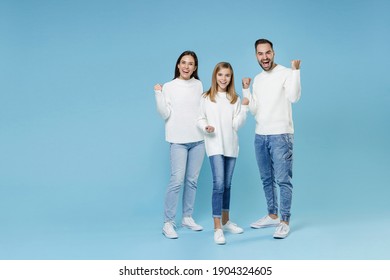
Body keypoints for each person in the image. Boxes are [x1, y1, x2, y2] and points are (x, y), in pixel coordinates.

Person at [242, 38, 301, 239]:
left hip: (281, 135)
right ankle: (272, 215)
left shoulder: (285, 73)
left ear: (273, 53)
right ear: (256, 56)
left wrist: (296, 71)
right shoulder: (258, 79)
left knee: (283, 180)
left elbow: (294, 97)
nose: (264, 57)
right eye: (260, 54)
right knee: (267, 179)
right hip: (260, 135)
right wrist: (245, 91)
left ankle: (284, 221)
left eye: (267, 53)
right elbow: (254, 110)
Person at [154, 51, 205, 239]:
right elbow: (164, 114)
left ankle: (187, 217)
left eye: (190, 64)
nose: (186, 66)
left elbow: (201, 110)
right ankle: (168, 222)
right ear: (178, 65)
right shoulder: (169, 86)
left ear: (195, 67)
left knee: (192, 180)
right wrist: (158, 93)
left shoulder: (198, 85)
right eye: (183, 63)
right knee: (177, 180)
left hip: (198, 140)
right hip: (178, 140)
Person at [198, 62, 249, 245]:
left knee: (227, 184)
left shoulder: (234, 99)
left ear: (231, 77)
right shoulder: (206, 97)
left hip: (231, 147)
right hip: (214, 145)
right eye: (220, 75)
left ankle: (226, 221)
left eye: (227, 75)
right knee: (218, 184)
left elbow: (236, 125)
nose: (223, 78)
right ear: (215, 76)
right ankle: (217, 227)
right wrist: (206, 127)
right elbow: (199, 118)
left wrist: (244, 107)